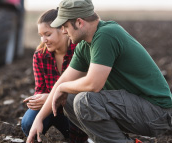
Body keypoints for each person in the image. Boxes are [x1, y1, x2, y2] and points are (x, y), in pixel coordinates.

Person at [26, 0, 172, 143]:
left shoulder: (106, 35)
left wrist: (63, 88)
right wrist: (38, 119)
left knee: (85, 101)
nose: (63, 31)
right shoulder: (84, 45)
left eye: (65, 26)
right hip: (135, 108)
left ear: (79, 22)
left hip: (158, 113)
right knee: (69, 100)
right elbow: (63, 81)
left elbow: (93, 84)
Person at [21, 9, 88, 143]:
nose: (43, 40)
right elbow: (41, 89)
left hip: (75, 110)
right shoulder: (40, 56)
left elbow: (86, 89)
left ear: (63, 30)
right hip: (51, 110)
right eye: (41, 35)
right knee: (28, 123)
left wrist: (50, 98)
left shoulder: (79, 51)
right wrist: (39, 98)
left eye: (48, 34)